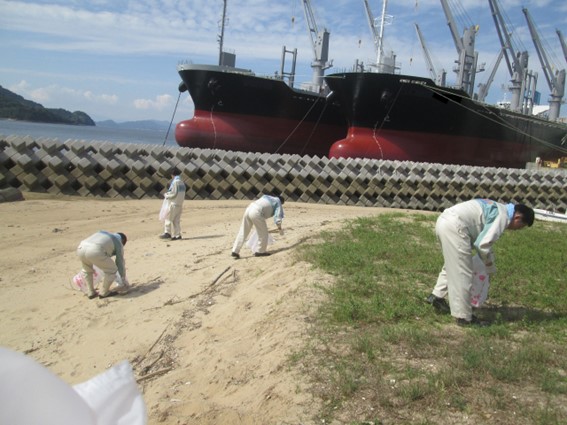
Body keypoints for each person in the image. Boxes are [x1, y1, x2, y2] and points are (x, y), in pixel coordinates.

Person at [427, 199, 534, 326]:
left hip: (444, 221)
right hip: (455, 226)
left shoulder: (498, 207)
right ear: (517, 217)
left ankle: (436, 297)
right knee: (463, 273)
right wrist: (489, 266)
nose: (516, 230)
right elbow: (483, 245)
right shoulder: (503, 216)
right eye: (520, 227)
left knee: (454, 263)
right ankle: (464, 317)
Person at [76, 231, 128, 299]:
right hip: (94, 250)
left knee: (87, 270)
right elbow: (119, 262)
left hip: (81, 248)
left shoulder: (103, 233)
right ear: (122, 241)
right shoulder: (118, 242)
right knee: (112, 269)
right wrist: (122, 278)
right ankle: (104, 292)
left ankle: (91, 292)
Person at [231, 194, 285, 259]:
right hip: (257, 212)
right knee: (263, 233)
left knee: (243, 231)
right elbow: (278, 217)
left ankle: (235, 250)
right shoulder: (278, 202)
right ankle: (261, 251)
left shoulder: (267, 196)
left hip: (249, 208)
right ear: (281, 201)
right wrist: (280, 228)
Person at [159, 174, 186, 240]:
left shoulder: (175, 182)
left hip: (174, 203)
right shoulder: (182, 183)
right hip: (180, 204)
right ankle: (177, 235)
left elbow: (174, 193)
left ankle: (167, 233)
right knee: (176, 221)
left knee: (168, 218)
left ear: (172, 175)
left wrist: (167, 195)